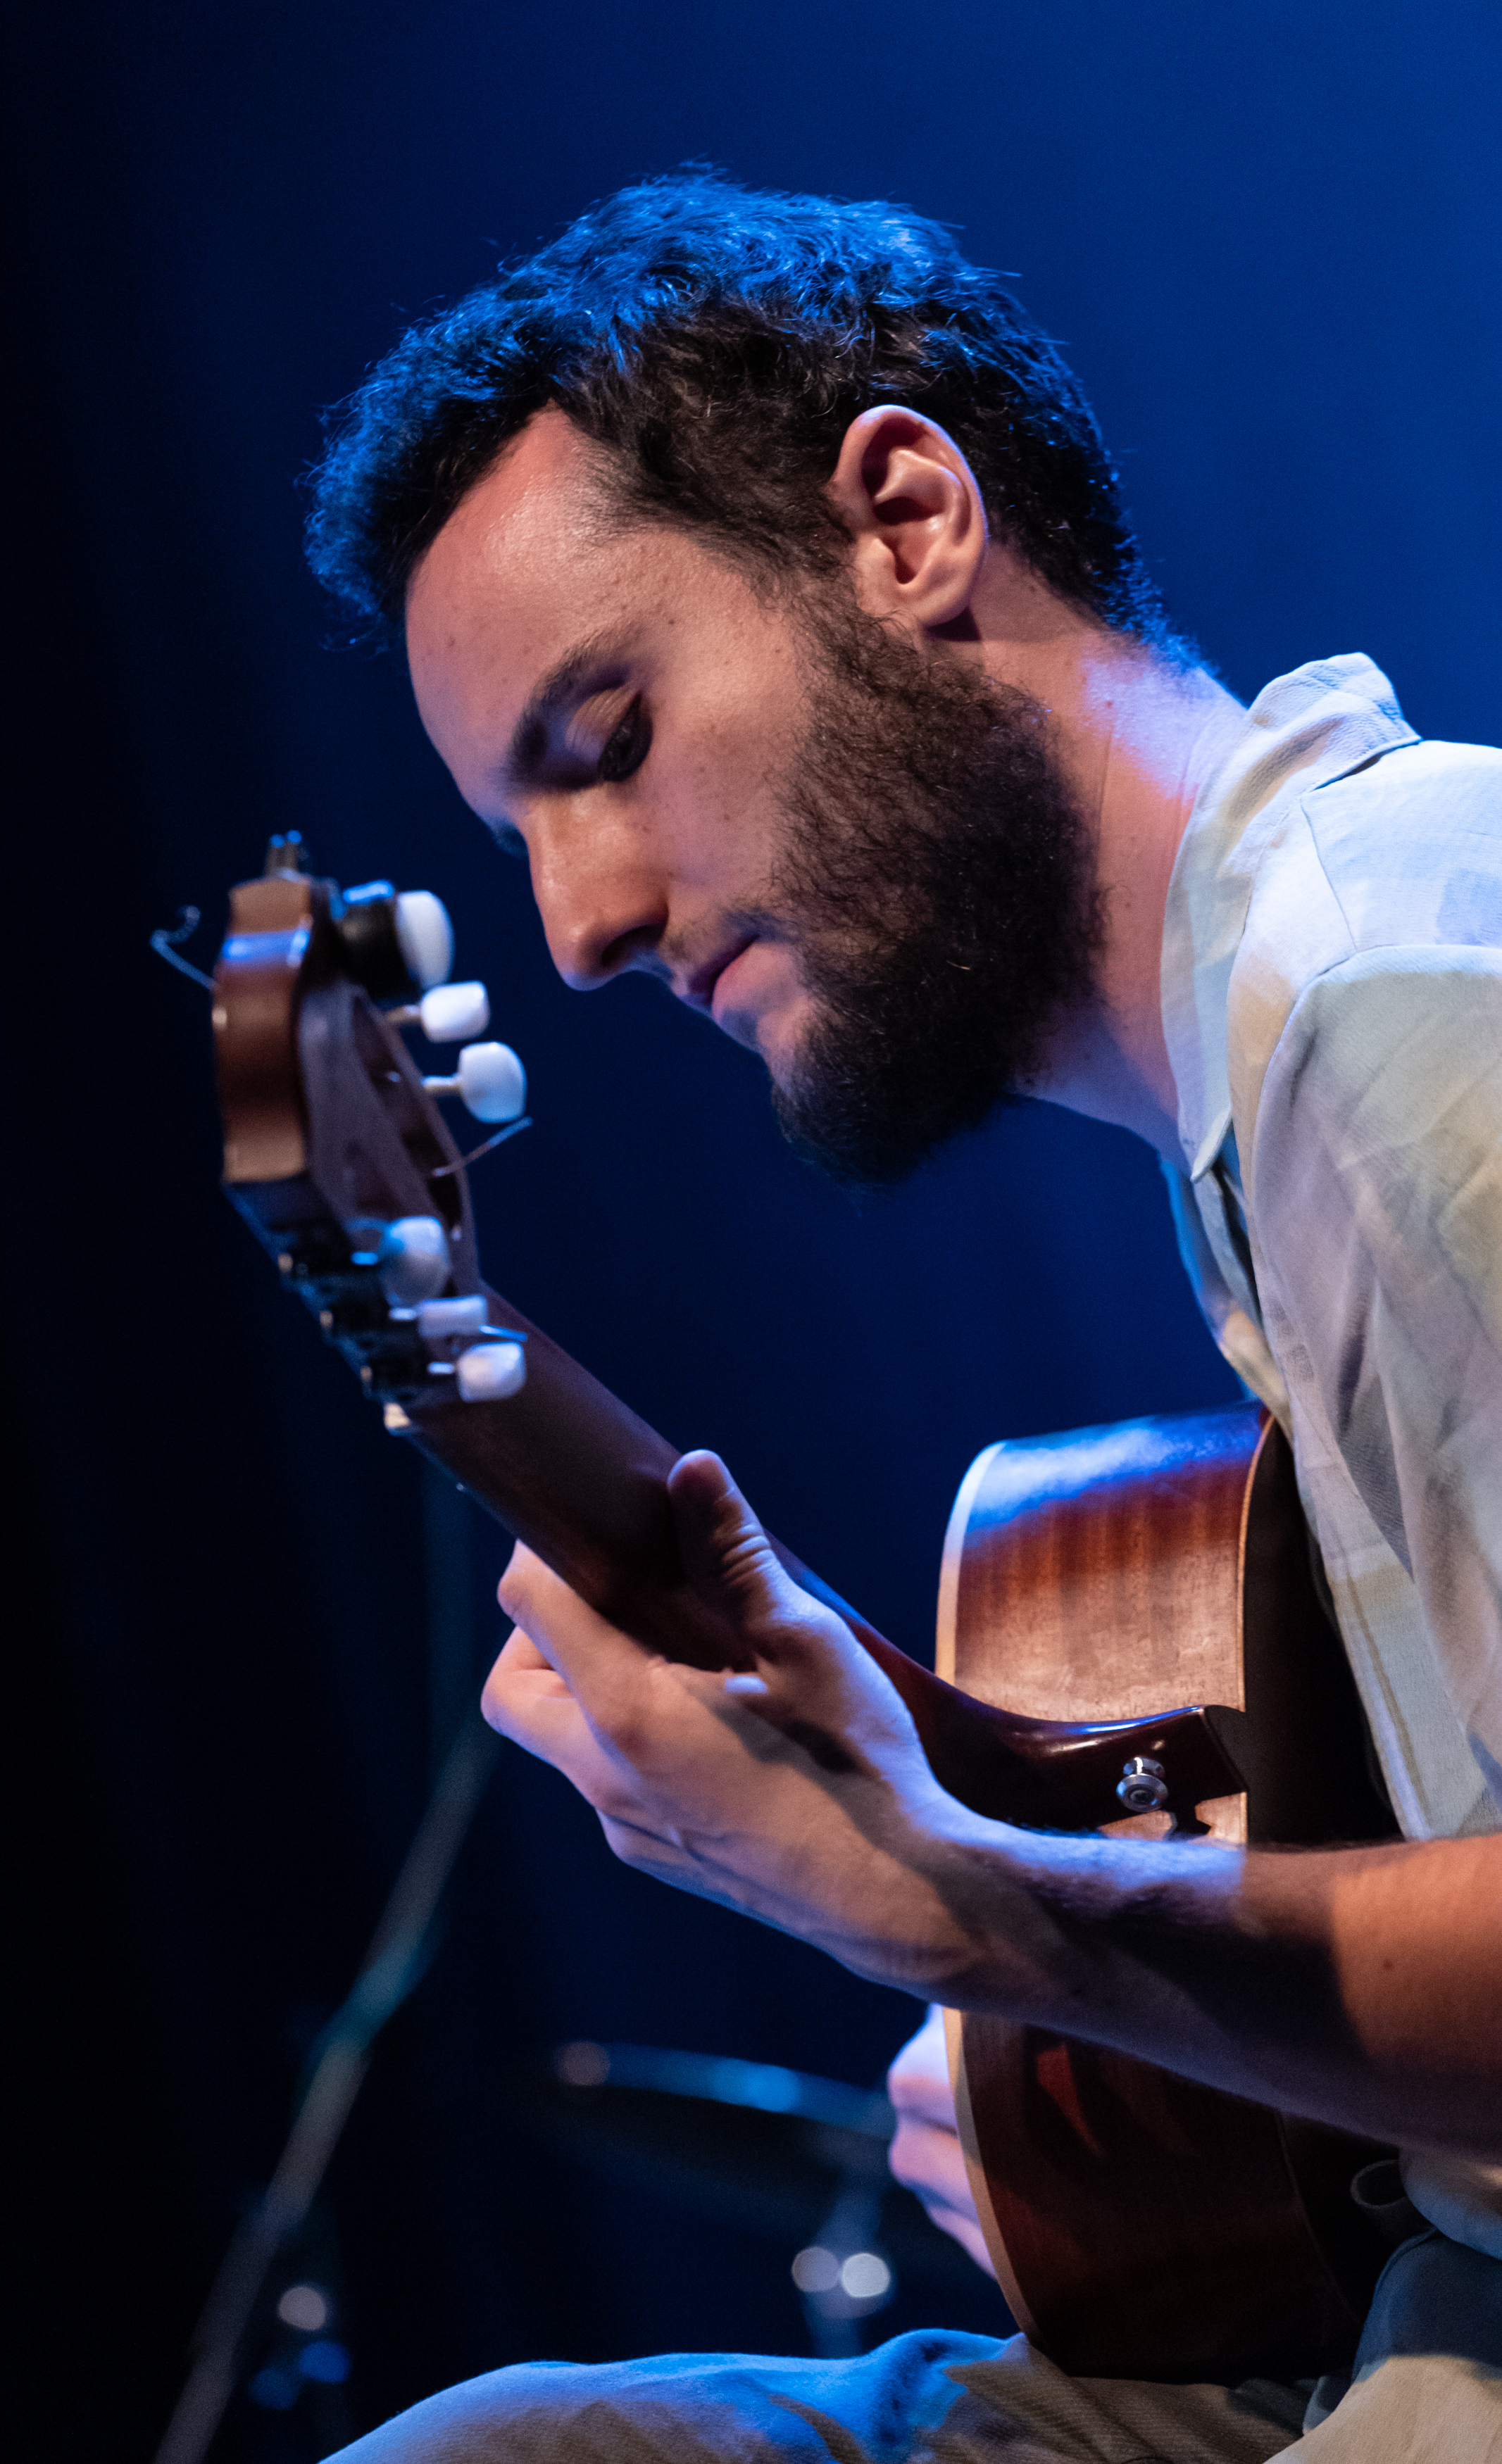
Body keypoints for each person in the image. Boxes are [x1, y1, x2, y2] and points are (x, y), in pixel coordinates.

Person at [306, 174, 1502, 2460]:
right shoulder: (1264, 1086)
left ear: (906, 519)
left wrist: (982, 1912)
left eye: (611, 733)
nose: (577, 922)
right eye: (516, 833)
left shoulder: (1402, 1009)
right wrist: (1026, 1871)